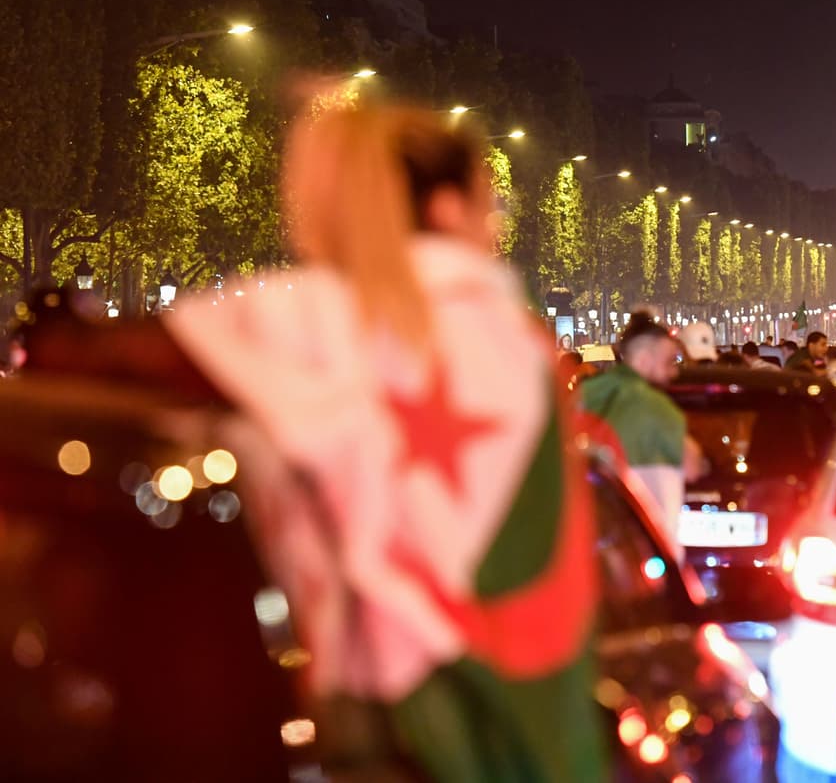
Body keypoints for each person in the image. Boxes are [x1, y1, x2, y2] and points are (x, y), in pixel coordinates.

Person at [162, 103, 605, 780]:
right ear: (449, 207)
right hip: (454, 714)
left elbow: (159, 346)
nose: (495, 226)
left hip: (331, 704)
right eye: (492, 205)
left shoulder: (315, 324)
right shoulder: (495, 334)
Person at [582, 312, 694, 541]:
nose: (673, 372)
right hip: (640, 539)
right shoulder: (658, 408)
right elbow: (690, 466)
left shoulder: (584, 394)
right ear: (643, 359)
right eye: (668, 362)